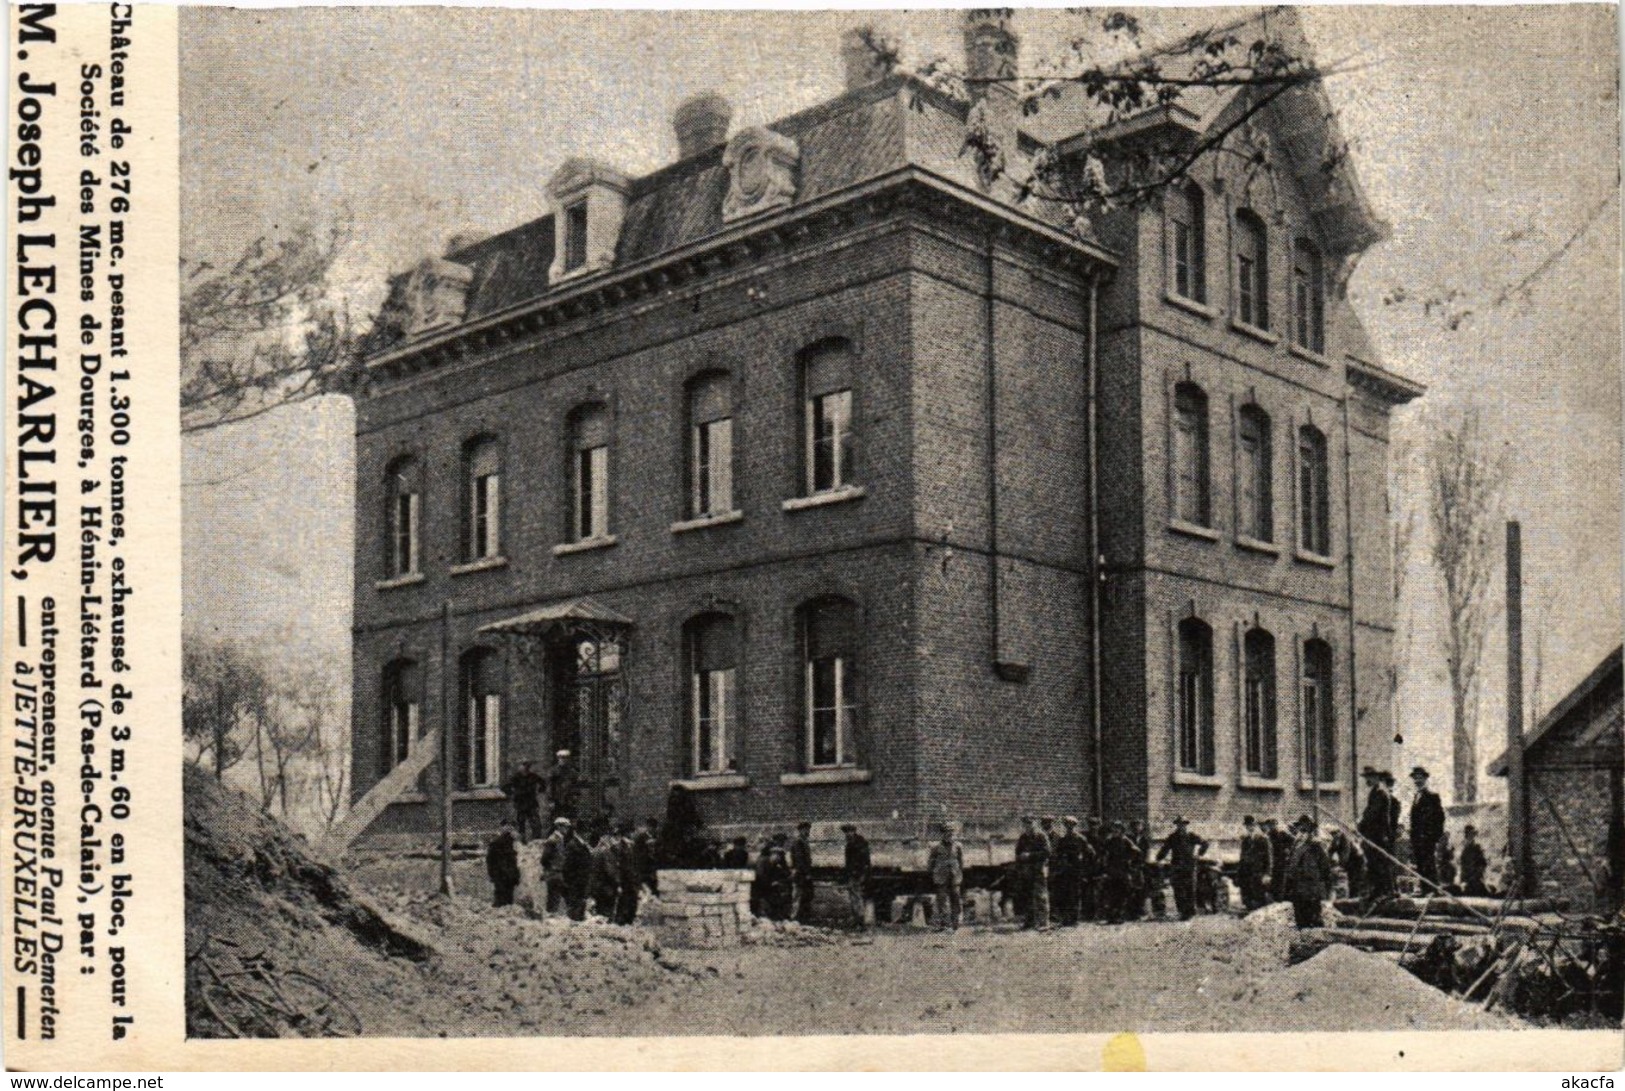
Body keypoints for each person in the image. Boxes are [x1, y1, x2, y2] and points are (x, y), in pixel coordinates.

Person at [1283, 814, 1334, 928]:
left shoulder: (1316, 846)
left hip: (1311, 890)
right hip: (1297, 889)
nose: (1301, 833)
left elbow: (1325, 869)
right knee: (1300, 919)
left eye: (1305, 830)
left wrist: (1327, 891)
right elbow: (1290, 867)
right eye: (1300, 830)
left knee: (1314, 919)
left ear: (1310, 832)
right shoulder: (1295, 846)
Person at [1155, 816, 1209, 921]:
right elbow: (1164, 849)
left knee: (1190, 889)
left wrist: (1199, 854)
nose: (1181, 826)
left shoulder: (1191, 836)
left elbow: (1205, 844)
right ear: (1177, 825)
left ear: (1186, 825)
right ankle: (1182, 912)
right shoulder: (1172, 837)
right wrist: (1159, 858)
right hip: (1176, 866)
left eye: (1183, 824)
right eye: (1179, 824)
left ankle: (1191, 911)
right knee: (1178, 889)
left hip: (1189, 866)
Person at [1358, 767, 1396, 902]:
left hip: (1379, 834)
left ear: (1376, 777)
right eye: (1365, 777)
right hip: (1371, 834)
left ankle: (1388, 891)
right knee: (1373, 863)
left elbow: (1372, 814)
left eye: (1369, 777)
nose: (1366, 780)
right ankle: (1377, 890)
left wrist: (1359, 825)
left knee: (1381, 863)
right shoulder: (1374, 792)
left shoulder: (1381, 793)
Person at [1408, 766, 1445, 890]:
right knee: (1420, 863)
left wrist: (1434, 836)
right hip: (1417, 839)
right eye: (1415, 778)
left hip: (1427, 838)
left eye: (1420, 778)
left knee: (1428, 863)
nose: (1417, 781)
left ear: (1425, 779)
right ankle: (1425, 889)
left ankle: (1433, 889)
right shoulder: (1416, 797)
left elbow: (1440, 818)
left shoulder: (1432, 796)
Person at [1014, 815, 1052, 930]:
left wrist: (1030, 855)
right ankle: (1030, 922)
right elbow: (1018, 852)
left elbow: (1047, 852)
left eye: (1030, 823)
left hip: (1038, 870)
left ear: (1034, 823)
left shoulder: (1041, 836)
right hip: (1026, 871)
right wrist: (1021, 860)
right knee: (1028, 897)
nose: (1028, 826)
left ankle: (1044, 923)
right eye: (1025, 824)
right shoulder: (1023, 837)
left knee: (1041, 897)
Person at [1052, 816, 1091, 926]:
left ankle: (1074, 919)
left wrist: (1083, 865)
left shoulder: (1080, 839)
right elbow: (1057, 854)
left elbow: (1090, 853)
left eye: (1071, 826)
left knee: (1075, 895)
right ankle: (1065, 919)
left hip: (1076, 871)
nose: (1069, 828)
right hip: (1064, 871)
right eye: (1067, 826)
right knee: (1065, 895)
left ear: (1074, 826)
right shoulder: (1063, 840)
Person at [927, 822, 966, 930]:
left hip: (954, 876)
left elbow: (961, 861)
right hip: (940, 876)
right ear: (943, 834)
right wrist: (931, 873)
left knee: (956, 897)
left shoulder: (958, 846)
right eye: (947, 833)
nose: (950, 835)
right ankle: (944, 923)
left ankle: (955, 922)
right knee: (942, 899)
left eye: (952, 833)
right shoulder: (936, 847)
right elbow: (931, 862)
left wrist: (959, 873)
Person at [1100, 820, 1139, 924]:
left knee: (1122, 894)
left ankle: (1119, 916)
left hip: (1122, 870)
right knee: (1111, 893)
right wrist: (1105, 866)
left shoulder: (1125, 840)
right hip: (1112, 871)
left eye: (1118, 828)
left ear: (1122, 830)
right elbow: (1103, 853)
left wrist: (1128, 860)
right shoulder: (1109, 841)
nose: (1115, 830)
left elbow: (1136, 851)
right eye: (1114, 828)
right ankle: (1111, 916)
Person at [502, 760, 547, 844]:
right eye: (523, 766)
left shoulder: (533, 776)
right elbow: (505, 787)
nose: (525, 768)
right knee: (521, 824)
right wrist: (512, 794)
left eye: (527, 766)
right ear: (520, 767)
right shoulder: (515, 777)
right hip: (520, 804)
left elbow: (543, 783)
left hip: (531, 803)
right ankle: (522, 842)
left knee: (535, 823)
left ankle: (536, 840)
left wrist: (540, 790)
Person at [1237, 815, 1273, 911]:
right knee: (1248, 897)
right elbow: (1242, 857)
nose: (1250, 827)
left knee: (1259, 897)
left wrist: (1267, 874)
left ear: (1256, 826)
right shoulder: (1245, 840)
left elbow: (1269, 858)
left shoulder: (1263, 839)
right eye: (1248, 825)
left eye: (1252, 825)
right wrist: (1240, 872)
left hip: (1259, 872)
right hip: (1247, 873)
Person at [842, 823, 872, 930]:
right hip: (853, 874)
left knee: (857, 897)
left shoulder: (859, 844)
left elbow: (865, 861)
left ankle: (860, 921)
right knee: (854, 897)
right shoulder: (852, 843)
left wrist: (863, 874)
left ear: (853, 832)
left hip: (858, 875)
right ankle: (857, 920)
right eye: (846, 832)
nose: (847, 834)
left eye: (849, 831)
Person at [589, 825, 622, 919]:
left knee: (599, 915)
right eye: (616, 837)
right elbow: (610, 872)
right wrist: (619, 883)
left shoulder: (596, 850)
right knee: (607, 916)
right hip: (606, 889)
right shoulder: (606, 852)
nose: (617, 840)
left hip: (596, 887)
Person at [541, 817, 572, 915]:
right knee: (553, 898)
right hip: (553, 872)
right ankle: (551, 918)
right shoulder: (553, 840)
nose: (566, 830)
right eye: (565, 827)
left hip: (558, 872)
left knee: (557, 897)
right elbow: (544, 858)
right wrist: (550, 868)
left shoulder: (560, 839)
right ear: (559, 827)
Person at [486, 819, 521, 908]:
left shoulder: (512, 844)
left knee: (504, 899)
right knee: (504, 899)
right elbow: (491, 861)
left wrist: (516, 876)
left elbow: (515, 862)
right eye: (508, 826)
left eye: (512, 827)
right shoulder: (498, 843)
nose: (510, 829)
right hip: (502, 875)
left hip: (506, 876)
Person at [614, 821, 642, 924]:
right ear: (627, 833)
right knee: (624, 905)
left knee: (632, 905)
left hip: (631, 880)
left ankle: (628, 922)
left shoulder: (632, 845)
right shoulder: (619, 847)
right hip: (625, 880)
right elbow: (620, 865)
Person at [761, 836, 794, 921]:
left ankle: (779, 915)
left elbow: (783, 866)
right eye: (781, 841)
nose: (782, 843)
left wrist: (787, 875)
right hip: (767, 885)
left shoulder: (776, 859)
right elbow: (763, 875)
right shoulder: (765, 860)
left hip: (774, 882)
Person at [1328, 827, 1364, 900]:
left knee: (1354, 879)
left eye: (1335, 833)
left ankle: (1355, 896)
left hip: (1357, 861)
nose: (1333, 835)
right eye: (1332, 834)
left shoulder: (1345, 839)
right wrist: (1329, 861)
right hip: (1350, 861)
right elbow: (1331, 850)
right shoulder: (1336, 840)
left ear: (1339, 832)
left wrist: (1340, 866)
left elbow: (1345, 855)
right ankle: (1352, 895)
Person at [792, 821, 816, 924]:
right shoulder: (799, 842)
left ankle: (803, 918)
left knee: (807, 896)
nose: (807, 832)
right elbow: (799, 860)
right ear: (800, 830)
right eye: (805, 830)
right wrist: (806, 874)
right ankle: (795, 918)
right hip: (801, 875)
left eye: (808, 830)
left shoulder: (804, 841)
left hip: (805, 874)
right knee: (799, 896)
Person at [1264, 817, 1293, 904]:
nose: (1272, 827)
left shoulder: (1282, 834)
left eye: (1274, 824)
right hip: (1272, 861)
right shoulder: (1267, 836)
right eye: (1270, 825)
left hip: (1282, 861)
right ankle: (1274, 900)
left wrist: (1287, 849)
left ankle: (1281, 900)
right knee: (1273, 882)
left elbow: (1293, 841)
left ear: (1277, 824)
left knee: (1281, 881)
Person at [548, 749, 580, 823]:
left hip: (569, 799)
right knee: (556, 819)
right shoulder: (554, 771)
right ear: (558, 758)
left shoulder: (572, 772)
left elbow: (575, 785)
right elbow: (550, 786)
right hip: (557, 799)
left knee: (569, 819)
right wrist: (551, 800)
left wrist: (575, 796)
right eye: (561, 758)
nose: (563, 760)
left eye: (565, 758)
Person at [1459, 824, 1490, 897]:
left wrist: (1479, 872)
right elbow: (1463, 864)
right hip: (1468, 878)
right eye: (1470, 834)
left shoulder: (1476, 847)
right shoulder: (1464, 848)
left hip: (1475, 877)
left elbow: (1482, 863)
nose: (1472, 836)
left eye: (1473, 834)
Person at [1436, 830, 1458, 895]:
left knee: (1452, 869)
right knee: (1449, 870)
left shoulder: (1445, 845)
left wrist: (1451, 851)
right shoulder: (1440, 846)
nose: (1446, 840)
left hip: (1445, 863)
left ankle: (1448, 884)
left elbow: (1451, 857)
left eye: (1447, 838)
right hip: (1442, 864)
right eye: (1445, 838)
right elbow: (1441, 857)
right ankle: (1445, 884)